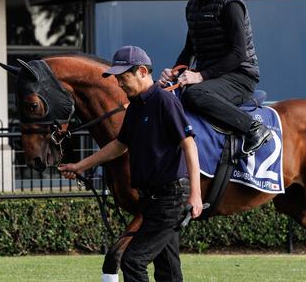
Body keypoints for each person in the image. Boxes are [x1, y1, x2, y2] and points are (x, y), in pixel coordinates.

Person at [58, 45, 203, 282]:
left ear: (143, 72)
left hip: (170, 197)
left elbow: (189, 145)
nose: (119, 84)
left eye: (124, 78)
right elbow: (119, 145)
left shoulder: (164, 101)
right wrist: (80, 165)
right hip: (150, 199)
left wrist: (195, 195)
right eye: (117, 79)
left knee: (132, 261)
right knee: (168, 270)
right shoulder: (135, 106)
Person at [159, 0, 271, 154]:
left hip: (240, 77)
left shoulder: (231, 4)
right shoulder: (192, 6)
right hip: (213, 78)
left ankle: (254, 128)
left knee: (193, 95)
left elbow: (239, 53)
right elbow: (189, 50)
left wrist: (200, 76)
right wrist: (174, 73)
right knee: (166, 95)